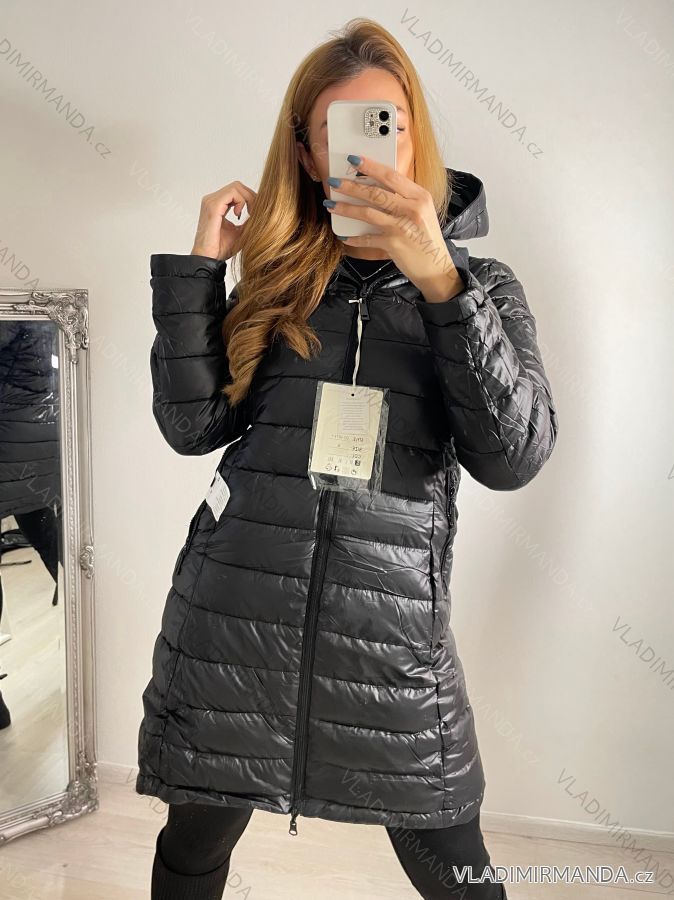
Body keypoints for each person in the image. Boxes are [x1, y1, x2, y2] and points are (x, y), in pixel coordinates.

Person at [136, 17, 558, 899]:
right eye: (339, 128)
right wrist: (200, 269)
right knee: (192, 850)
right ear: (305, 148)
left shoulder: (481, 289)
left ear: (414, 135)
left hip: (389, 638)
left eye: (385, 123)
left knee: (459, 875)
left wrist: (441, 284)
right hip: (233, 627)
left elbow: (512, 457)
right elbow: (191, 425)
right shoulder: (278, 276)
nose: (368, 148)